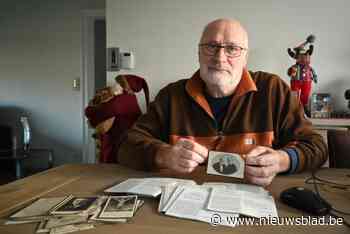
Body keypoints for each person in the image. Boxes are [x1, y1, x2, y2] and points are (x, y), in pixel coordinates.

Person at [118, 18, 327, 186]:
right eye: (211, 46)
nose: (219, 57)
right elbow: (126, 145)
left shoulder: (273, 90)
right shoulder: (171, 96)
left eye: (232, 49)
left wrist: (282, 160)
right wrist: (163, 155)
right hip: (183, 211)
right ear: (199, 53)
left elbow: (316, 146)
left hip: (257, 209)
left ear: (245, 58)